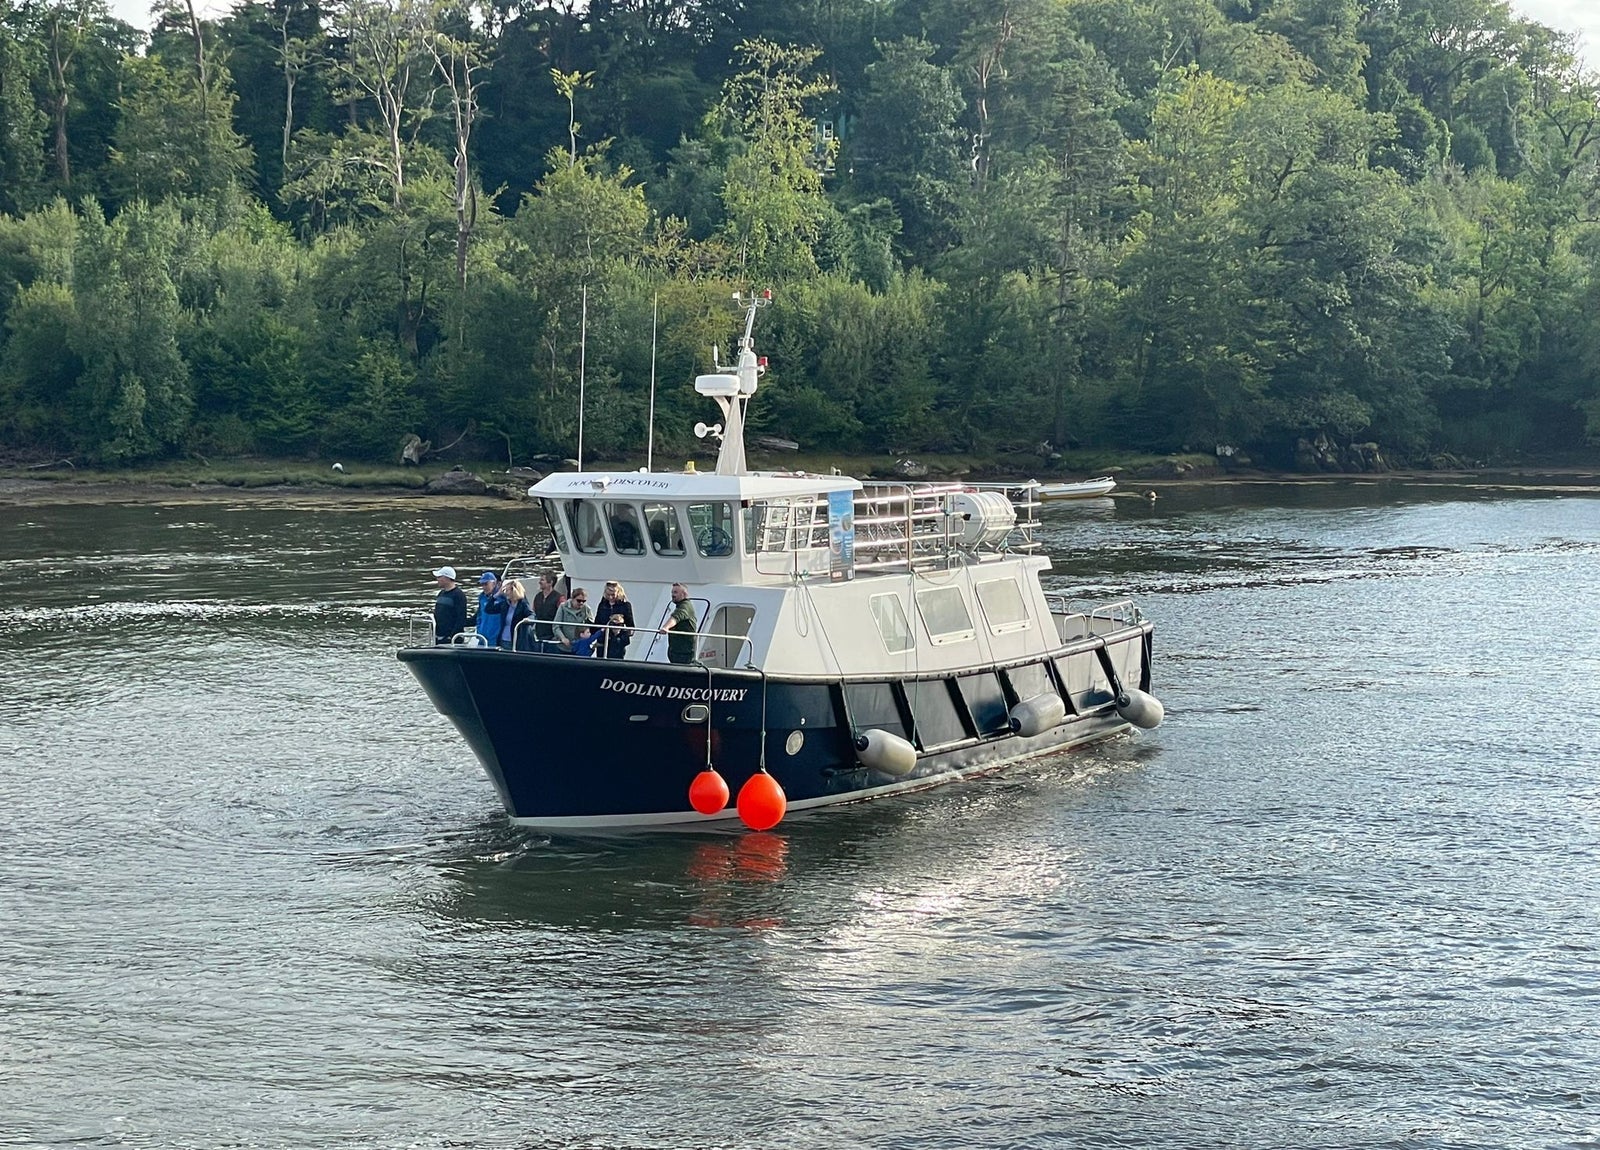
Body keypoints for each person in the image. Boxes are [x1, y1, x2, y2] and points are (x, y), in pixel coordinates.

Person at [593, 581, 635, 660]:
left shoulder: (625, 605)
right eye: (608, 594)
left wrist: (621, 631)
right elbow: (597, 622)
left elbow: (631, 625)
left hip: (618, 641)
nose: (611, 597)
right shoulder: (602, 604)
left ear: (618, 592)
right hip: (603, 640)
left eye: (613, 595)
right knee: (600, 663)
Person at [661, 582, 698, 665]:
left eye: (675, 592)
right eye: (672, 592)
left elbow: (676, 617)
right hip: (677, 650)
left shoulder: (685, 606)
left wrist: (666, 627)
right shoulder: (681, 606)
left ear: (684, 594)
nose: (673, 595)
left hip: (684, 652)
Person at [432, 566, 468, 644]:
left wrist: (451, 637)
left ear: (446, 578)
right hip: (439, 636)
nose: (437, 579)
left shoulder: (459, 595)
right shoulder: (441, 594)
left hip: (452, 639)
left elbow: (461, 618)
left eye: (439, 577)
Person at [553, 587, 594, 653]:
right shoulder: (563, 607)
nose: (581, 603)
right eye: (579, 600)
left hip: (579, 646)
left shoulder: (587, 609)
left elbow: (592, 625)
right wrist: (562, 638)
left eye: (584, 601)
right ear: (572, 598)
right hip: (563, 646)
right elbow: (556, 626)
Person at [472, 571, 506, 645]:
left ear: (494, 583)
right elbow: (479, 616)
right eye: (482, 584)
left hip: (496, 638)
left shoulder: (503, 598)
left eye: (486, 584)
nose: (484, 587)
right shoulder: (482, 597)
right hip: (482, 636)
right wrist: (479, 630)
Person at [531, 572, 564, 650]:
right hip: (539, 634)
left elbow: (563, 616)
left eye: (542, 580)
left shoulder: (559, 598)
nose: (539, 582)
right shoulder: (538, 596)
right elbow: (533, 612)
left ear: (550, 582)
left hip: (552, 636)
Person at [500, 578, 532, 650]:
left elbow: (532, 615)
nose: (506, 593)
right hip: (503, 639)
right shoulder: (505, 604)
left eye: (507, 590)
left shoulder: (523, 604)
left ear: (513, 591)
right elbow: (489, 609)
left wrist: (527, 620)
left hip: (516, 638)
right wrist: (496, 595)